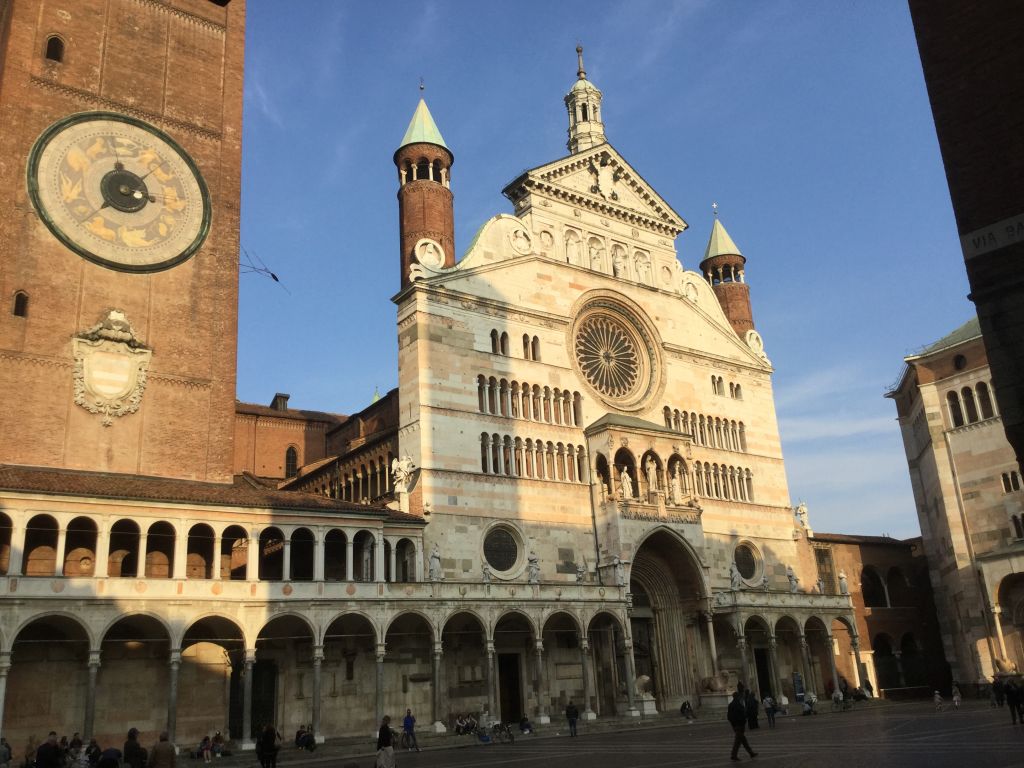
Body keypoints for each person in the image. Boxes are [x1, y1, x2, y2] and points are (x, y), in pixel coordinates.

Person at [727, 685, 757, 762]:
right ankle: (734, 755)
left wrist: (733, 724)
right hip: (739, 725)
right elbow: (741, 714)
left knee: (743, 740)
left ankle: (751, 753)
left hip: (736, 725)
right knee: (738, 742)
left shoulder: (731, 705)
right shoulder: (738, 705)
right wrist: (742, 720)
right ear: (737, 697)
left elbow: (729, 716)